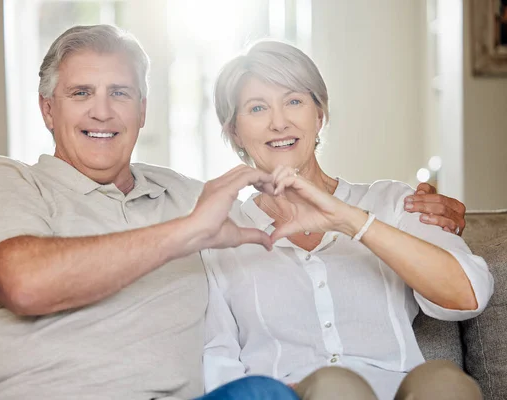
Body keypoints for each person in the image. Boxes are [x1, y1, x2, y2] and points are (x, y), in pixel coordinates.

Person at [0, 24, 467, 400]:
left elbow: (281, 197)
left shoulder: (190, 196)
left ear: (142, 110)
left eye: (120, 93)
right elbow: (24, 283)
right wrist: (188, 231)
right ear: (47, 109)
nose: (103, 110)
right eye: (82, 93)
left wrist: (427, 212)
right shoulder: (2, 180)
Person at [202, 40, 493, 400]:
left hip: (404, 390)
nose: (279, 122)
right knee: (335, 386)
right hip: (298, 394)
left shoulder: (391, 201)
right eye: (257, 108)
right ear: (234, 131)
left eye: (294, 101)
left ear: (319, 114)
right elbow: (216, 355)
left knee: (445, 380)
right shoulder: (219, 236)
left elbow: (469, 295)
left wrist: (352, 222)